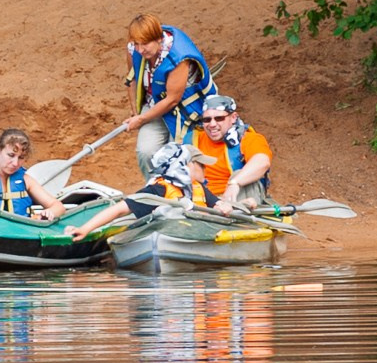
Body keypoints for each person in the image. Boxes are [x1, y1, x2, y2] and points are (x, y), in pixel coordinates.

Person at [120, 15, 215, 176]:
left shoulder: (178, 58)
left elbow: (172, 100)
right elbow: (133, 77)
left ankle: (180, 195)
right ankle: (156, 190)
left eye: (145, 44)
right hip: (154, 104)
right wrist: (136, 111)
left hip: (185, 110)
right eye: (137, 44)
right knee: (146, 152)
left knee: (177, 158)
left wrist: (141, 119)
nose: (140, 50)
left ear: (158, 39)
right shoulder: (133, 49)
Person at [71, 141, 212, 238]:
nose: (205, 169)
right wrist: (84, 229)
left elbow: (219, 205)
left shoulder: (199, 189)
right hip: (172, 236)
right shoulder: (157, 190)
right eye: (198, 164)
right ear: (183, 166)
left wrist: (224, 207)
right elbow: (118, 209)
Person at [184, 101, 272, 210]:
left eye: (219, 118)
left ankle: (238, 208)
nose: (212, 124)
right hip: (205, 197)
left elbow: (262, 162)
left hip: (236, 194)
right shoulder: (193, 138)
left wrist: (235, 183)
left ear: (233, 118)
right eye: (207, 120)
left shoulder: (250, 138)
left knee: (239, 174)